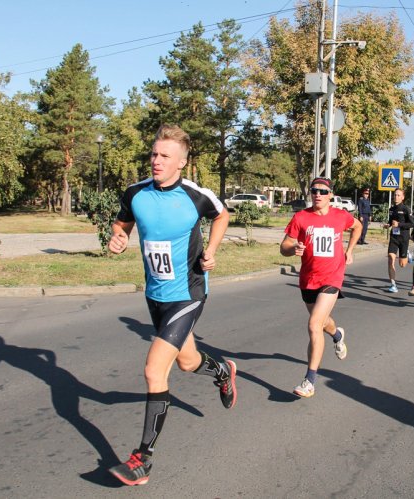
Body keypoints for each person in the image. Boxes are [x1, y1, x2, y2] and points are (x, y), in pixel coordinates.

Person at [107, 125, 237, 486]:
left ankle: (142, 459)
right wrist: (116, 239)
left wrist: (211, 251)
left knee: (154, 369)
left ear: (182, 162)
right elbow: (121, 225)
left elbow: (221, 215)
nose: (156, 161)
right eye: (153, 154)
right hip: (155, 295)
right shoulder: (136, 193)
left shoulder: (195, 195)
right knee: (187, 361)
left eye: (164, 156)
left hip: (188, 292)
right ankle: (223, 371)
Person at [280, 177, 361, 398]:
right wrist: (293, 248)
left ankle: (309, 381)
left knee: (314, 324)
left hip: (332, 277)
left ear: (330, 195)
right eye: (314, 191)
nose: (318, 194)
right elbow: (284, 246)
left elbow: (358, 226)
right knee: (323, 323)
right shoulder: (301, 217)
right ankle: (337, 335)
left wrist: (350, 250)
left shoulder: (340, 216)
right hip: (308, 279)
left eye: (323, 191)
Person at [383, 189, 412, 293]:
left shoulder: (406, 209)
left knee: (402, 264)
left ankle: (407, 253)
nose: (396, 197)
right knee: (390, 259)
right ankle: (393, 284)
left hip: (403, 238)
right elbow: (391, 222)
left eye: (398, 195)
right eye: (395, 195)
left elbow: (411, 224)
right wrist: (388, 225)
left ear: (403, 197)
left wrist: (399, 225)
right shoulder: (391, 209)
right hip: (394, 238)